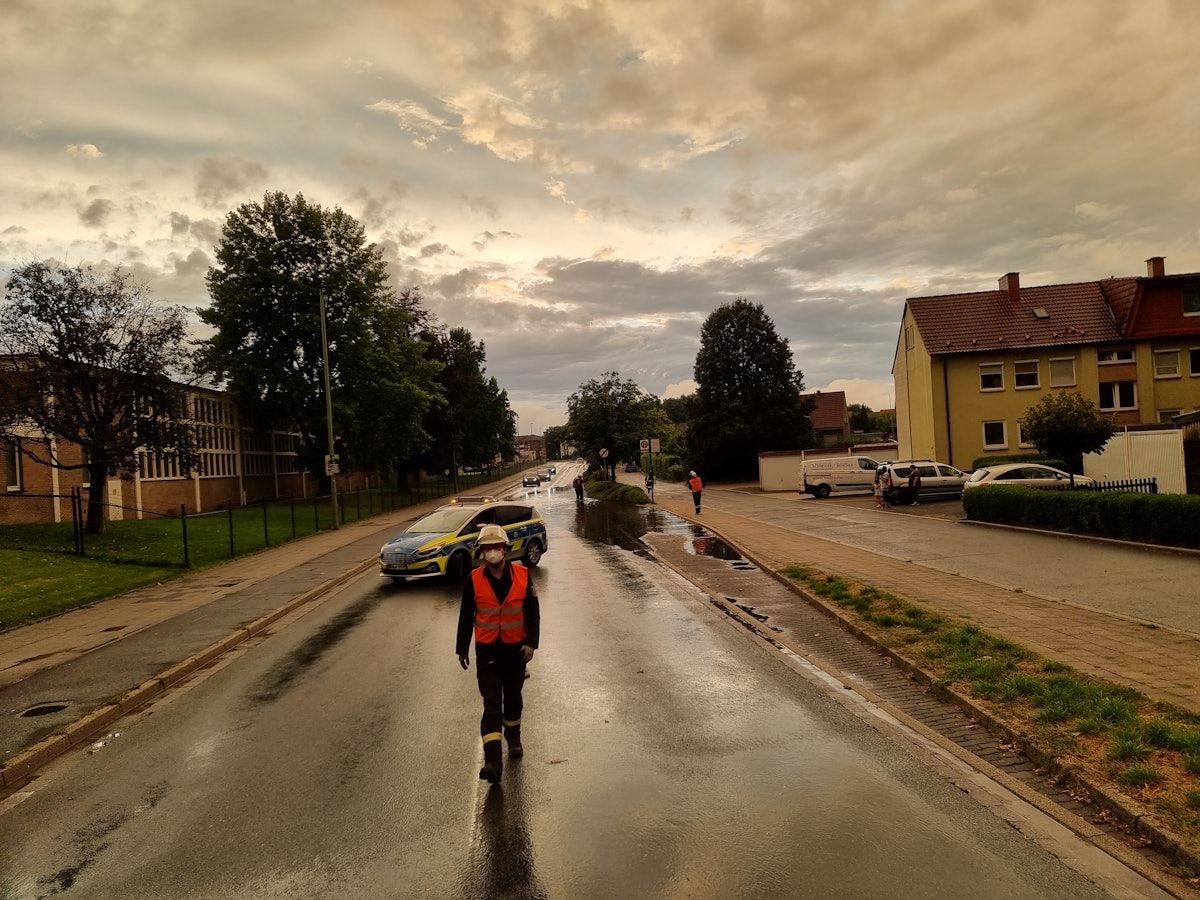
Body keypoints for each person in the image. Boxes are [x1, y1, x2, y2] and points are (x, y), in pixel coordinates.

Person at [457, 524, 540, 785]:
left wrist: (531, 644)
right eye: (487, 548)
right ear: (482, 551)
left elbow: (533, 613)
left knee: (513, 698)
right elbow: (465, 615)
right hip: (488, 651)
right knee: (492, 703)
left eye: (496, 547)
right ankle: (492, 762)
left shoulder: (523, 575)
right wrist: (462, 648)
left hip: (516, 651)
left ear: (505, 549)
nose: (492, 551)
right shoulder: (474, 579)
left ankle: (513, 737)